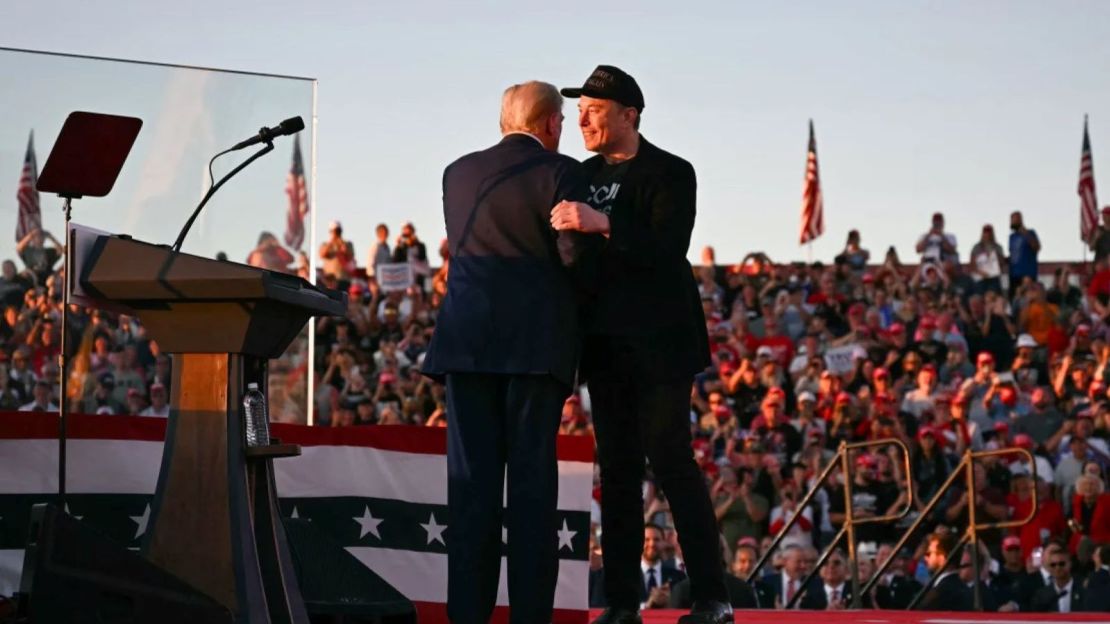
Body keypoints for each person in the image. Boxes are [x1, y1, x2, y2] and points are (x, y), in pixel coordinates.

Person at [551, 65, 730, 624]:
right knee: (620, 472)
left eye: (595, 110)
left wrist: (600, 222)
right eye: (579, 110)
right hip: (604, 345)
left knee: (672, 460)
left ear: (629, 114)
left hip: (659, 344)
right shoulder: (577, 174)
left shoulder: (671, 172)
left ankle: (712, 597)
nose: (583, 118)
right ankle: (623, 603)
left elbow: (666, 248)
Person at [420, 80, 597, 624]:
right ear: (549, 124)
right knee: (530, 493)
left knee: (470, 490)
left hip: (468, 346)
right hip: (533, 350)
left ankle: (467, 616)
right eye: (562, 121)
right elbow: (573, 254)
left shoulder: (456, 172)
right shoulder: (563, 171)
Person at [1030, 548, 1084, 612]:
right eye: (1053, 565)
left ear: (1070, 564)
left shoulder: (1083, 590)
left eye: (1062, 564)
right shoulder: (1042, 596)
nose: (1057, 568)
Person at [1008, 211, 1040, 298]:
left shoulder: (1031, 232)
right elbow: (1013, 254)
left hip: (1027, 273)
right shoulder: (1012, 237)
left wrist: (1025, 233)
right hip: (1013, 274)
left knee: (1027, 298)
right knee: (1014, 299)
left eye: (1014, 219)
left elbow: (1037, 247)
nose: (1011, 222)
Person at [969, 225, 1005, 295]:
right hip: (980, 279)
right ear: (982, 233)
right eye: (985, 232)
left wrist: (994, 253)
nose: (987, 234)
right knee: (979, 297)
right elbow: (972, 264)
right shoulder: (976, 247)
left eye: (989, 232)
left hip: (993, 278)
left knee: (993, 297)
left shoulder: (998, 247)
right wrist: (980, 272)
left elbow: (1002, 263)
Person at [318, 221, 355, 286]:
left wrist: (344, 249)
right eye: (334, 231)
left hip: (343, 279)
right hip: (329, 280)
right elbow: (322, 255)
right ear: (330, 232)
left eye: (338, 231)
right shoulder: (325, 245)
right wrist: (331, 243)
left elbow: (351, 258)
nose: (336, 233)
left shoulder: (348, 244)